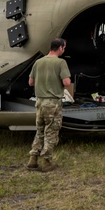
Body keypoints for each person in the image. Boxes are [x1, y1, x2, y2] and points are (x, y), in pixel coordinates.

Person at [27, 38, 73, 172]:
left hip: (39, 101)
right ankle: (46, 161)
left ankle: (33, 159)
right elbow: (66, 82)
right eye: (64, 48)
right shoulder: (61, 62)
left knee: (40, 131)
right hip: (52, 102)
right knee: (51, 132)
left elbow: (30, 82)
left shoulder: (38, 62)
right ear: (60, 48)